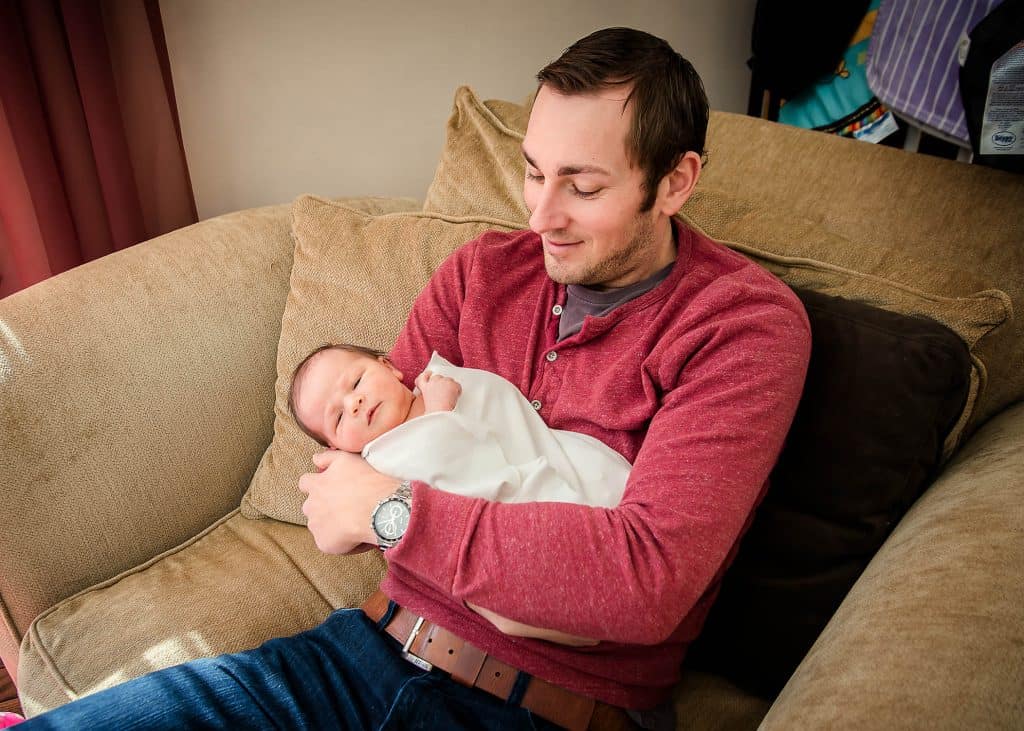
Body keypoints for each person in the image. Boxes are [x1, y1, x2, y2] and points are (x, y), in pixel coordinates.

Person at [20, 27, 811, 730]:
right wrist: (421, 517)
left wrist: (398, 516)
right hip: (361, 651)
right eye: (534, 172)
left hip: (553, 707)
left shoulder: (741, 326)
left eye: (584, 185)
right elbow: (356, 472)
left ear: (674, 182)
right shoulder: (479, 276)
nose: (538, 217)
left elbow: (639, 581)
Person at [289, 344, 630, 507]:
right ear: (338, 448)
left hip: (581, 463)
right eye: (337, 417)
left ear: (389, 367)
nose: (354, 403)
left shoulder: (434, 378)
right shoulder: (385, 462)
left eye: (357, 381)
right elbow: (467, 483)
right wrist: (439, 414)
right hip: (542, 507)